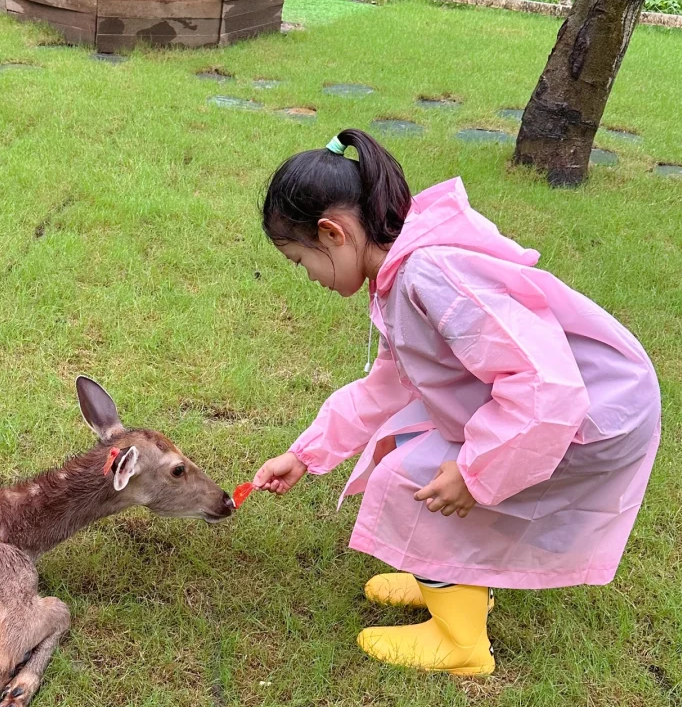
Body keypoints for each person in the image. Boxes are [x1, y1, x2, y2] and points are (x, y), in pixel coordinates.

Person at [252, 129, 660, 677]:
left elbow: (546, 385)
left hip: (591, 416)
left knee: (411, 478)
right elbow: (387, 387)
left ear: (333, 233)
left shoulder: (431, 274)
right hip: (560, 405)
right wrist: (305, 454)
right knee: (411, 443)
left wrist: (474, 470)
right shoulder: (400, 273)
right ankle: (448, 575)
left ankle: (461, 641)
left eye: (301, 260)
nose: (308, 276)